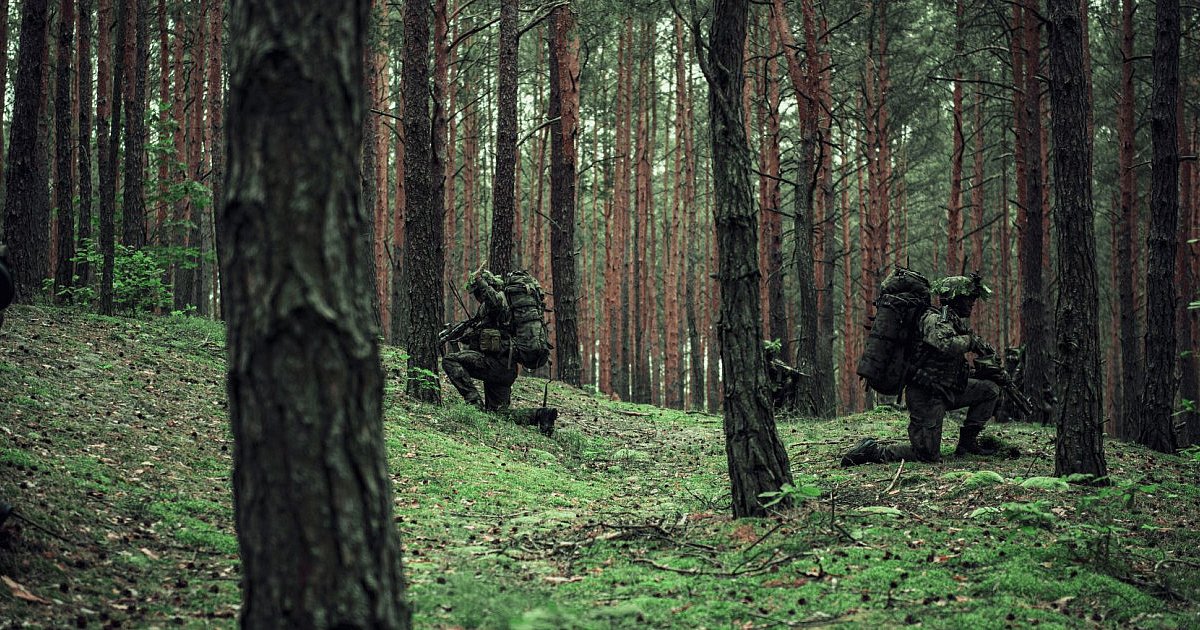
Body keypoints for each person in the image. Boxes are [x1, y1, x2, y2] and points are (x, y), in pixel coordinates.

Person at [842, 273, 1001, 466]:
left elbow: (949, 359)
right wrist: (970, 342)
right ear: (955, 298)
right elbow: (946, 345)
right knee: (926, 455)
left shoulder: (953, 321)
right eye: (968, 299)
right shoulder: (932, 318)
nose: (972, 304)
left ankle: (967, 444)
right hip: (926, 395)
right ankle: (875, 451)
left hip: (948, 390)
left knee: (989, 390)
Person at [442, 270, 520, 411]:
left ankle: (474, 404)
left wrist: (480, 281)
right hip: (506, 369)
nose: (478, 297)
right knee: (499, 414)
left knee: (449, 360)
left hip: (495, 364)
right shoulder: (496, 309)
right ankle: (540, 415)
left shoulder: (499, 301)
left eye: (478, 292)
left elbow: (495, 303)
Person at [764, 340, 804, 411]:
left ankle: (786, 410)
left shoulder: (777, 363)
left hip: (778, 389)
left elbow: (786, 373)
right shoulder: (762, 365)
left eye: (772, 353)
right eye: (768, 353)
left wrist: (791, 373)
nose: (770, 355)